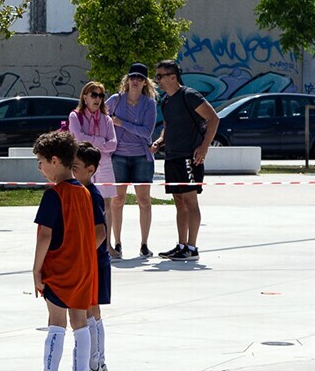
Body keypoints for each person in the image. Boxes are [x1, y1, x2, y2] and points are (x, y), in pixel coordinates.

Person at [20, 131, 99, 371]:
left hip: (59, 268)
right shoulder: (84, 192)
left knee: (56, 322)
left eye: (41, 162)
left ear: (55, 161)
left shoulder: (54, 195)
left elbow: (45, 235)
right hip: (83, 268)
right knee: (80, 322)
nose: (39, 168)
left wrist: (36, 270)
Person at [151, 60, 220, 262]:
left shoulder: (189, 95)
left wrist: (204, 147)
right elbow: (168, 127)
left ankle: (192, 247)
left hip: (189, 157)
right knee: (179, 202)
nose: (157, 81)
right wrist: (160, 141)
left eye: (160, 76)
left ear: (173, 77)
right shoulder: (166, 101)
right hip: (172, 157)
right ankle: (181, 246)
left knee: (190, 202)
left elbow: (214, 119)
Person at [67, 142, 110, 371]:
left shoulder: (91, 195)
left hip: (94, 261)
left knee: (89, 312)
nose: (72, 171)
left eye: (75, 167)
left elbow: (100, 232)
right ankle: (98, 364)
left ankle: (94, 365)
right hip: (92, 260)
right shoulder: (83, 192)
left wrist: (83, 257)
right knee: (92, 311)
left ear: (90, 169)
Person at [104, 63, 158, 259]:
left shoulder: (149, 104)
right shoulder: (115, 100)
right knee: (117, 201)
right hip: (118, 156)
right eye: (132, 77)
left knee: (144, 201)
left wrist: (121, 123)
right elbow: (102, 118)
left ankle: (144, 244)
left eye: (140, 78)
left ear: (145, 82)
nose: (135, 81)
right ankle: (117, 243)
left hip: (142, 157)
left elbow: (147, 132)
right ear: (127, 80)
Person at [68, 81, 119, 257]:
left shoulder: (106, 119)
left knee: (107, 205)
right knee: (82, 202)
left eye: (101, 95)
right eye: (94, 95)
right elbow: (78, 138)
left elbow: (113, 144)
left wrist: (92, 142)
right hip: (82, 164)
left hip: (104, 165)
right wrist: (100, 141)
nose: (98, 99)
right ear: (85, 97)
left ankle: (107, 244)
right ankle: (82, 242)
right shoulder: (75, 116)